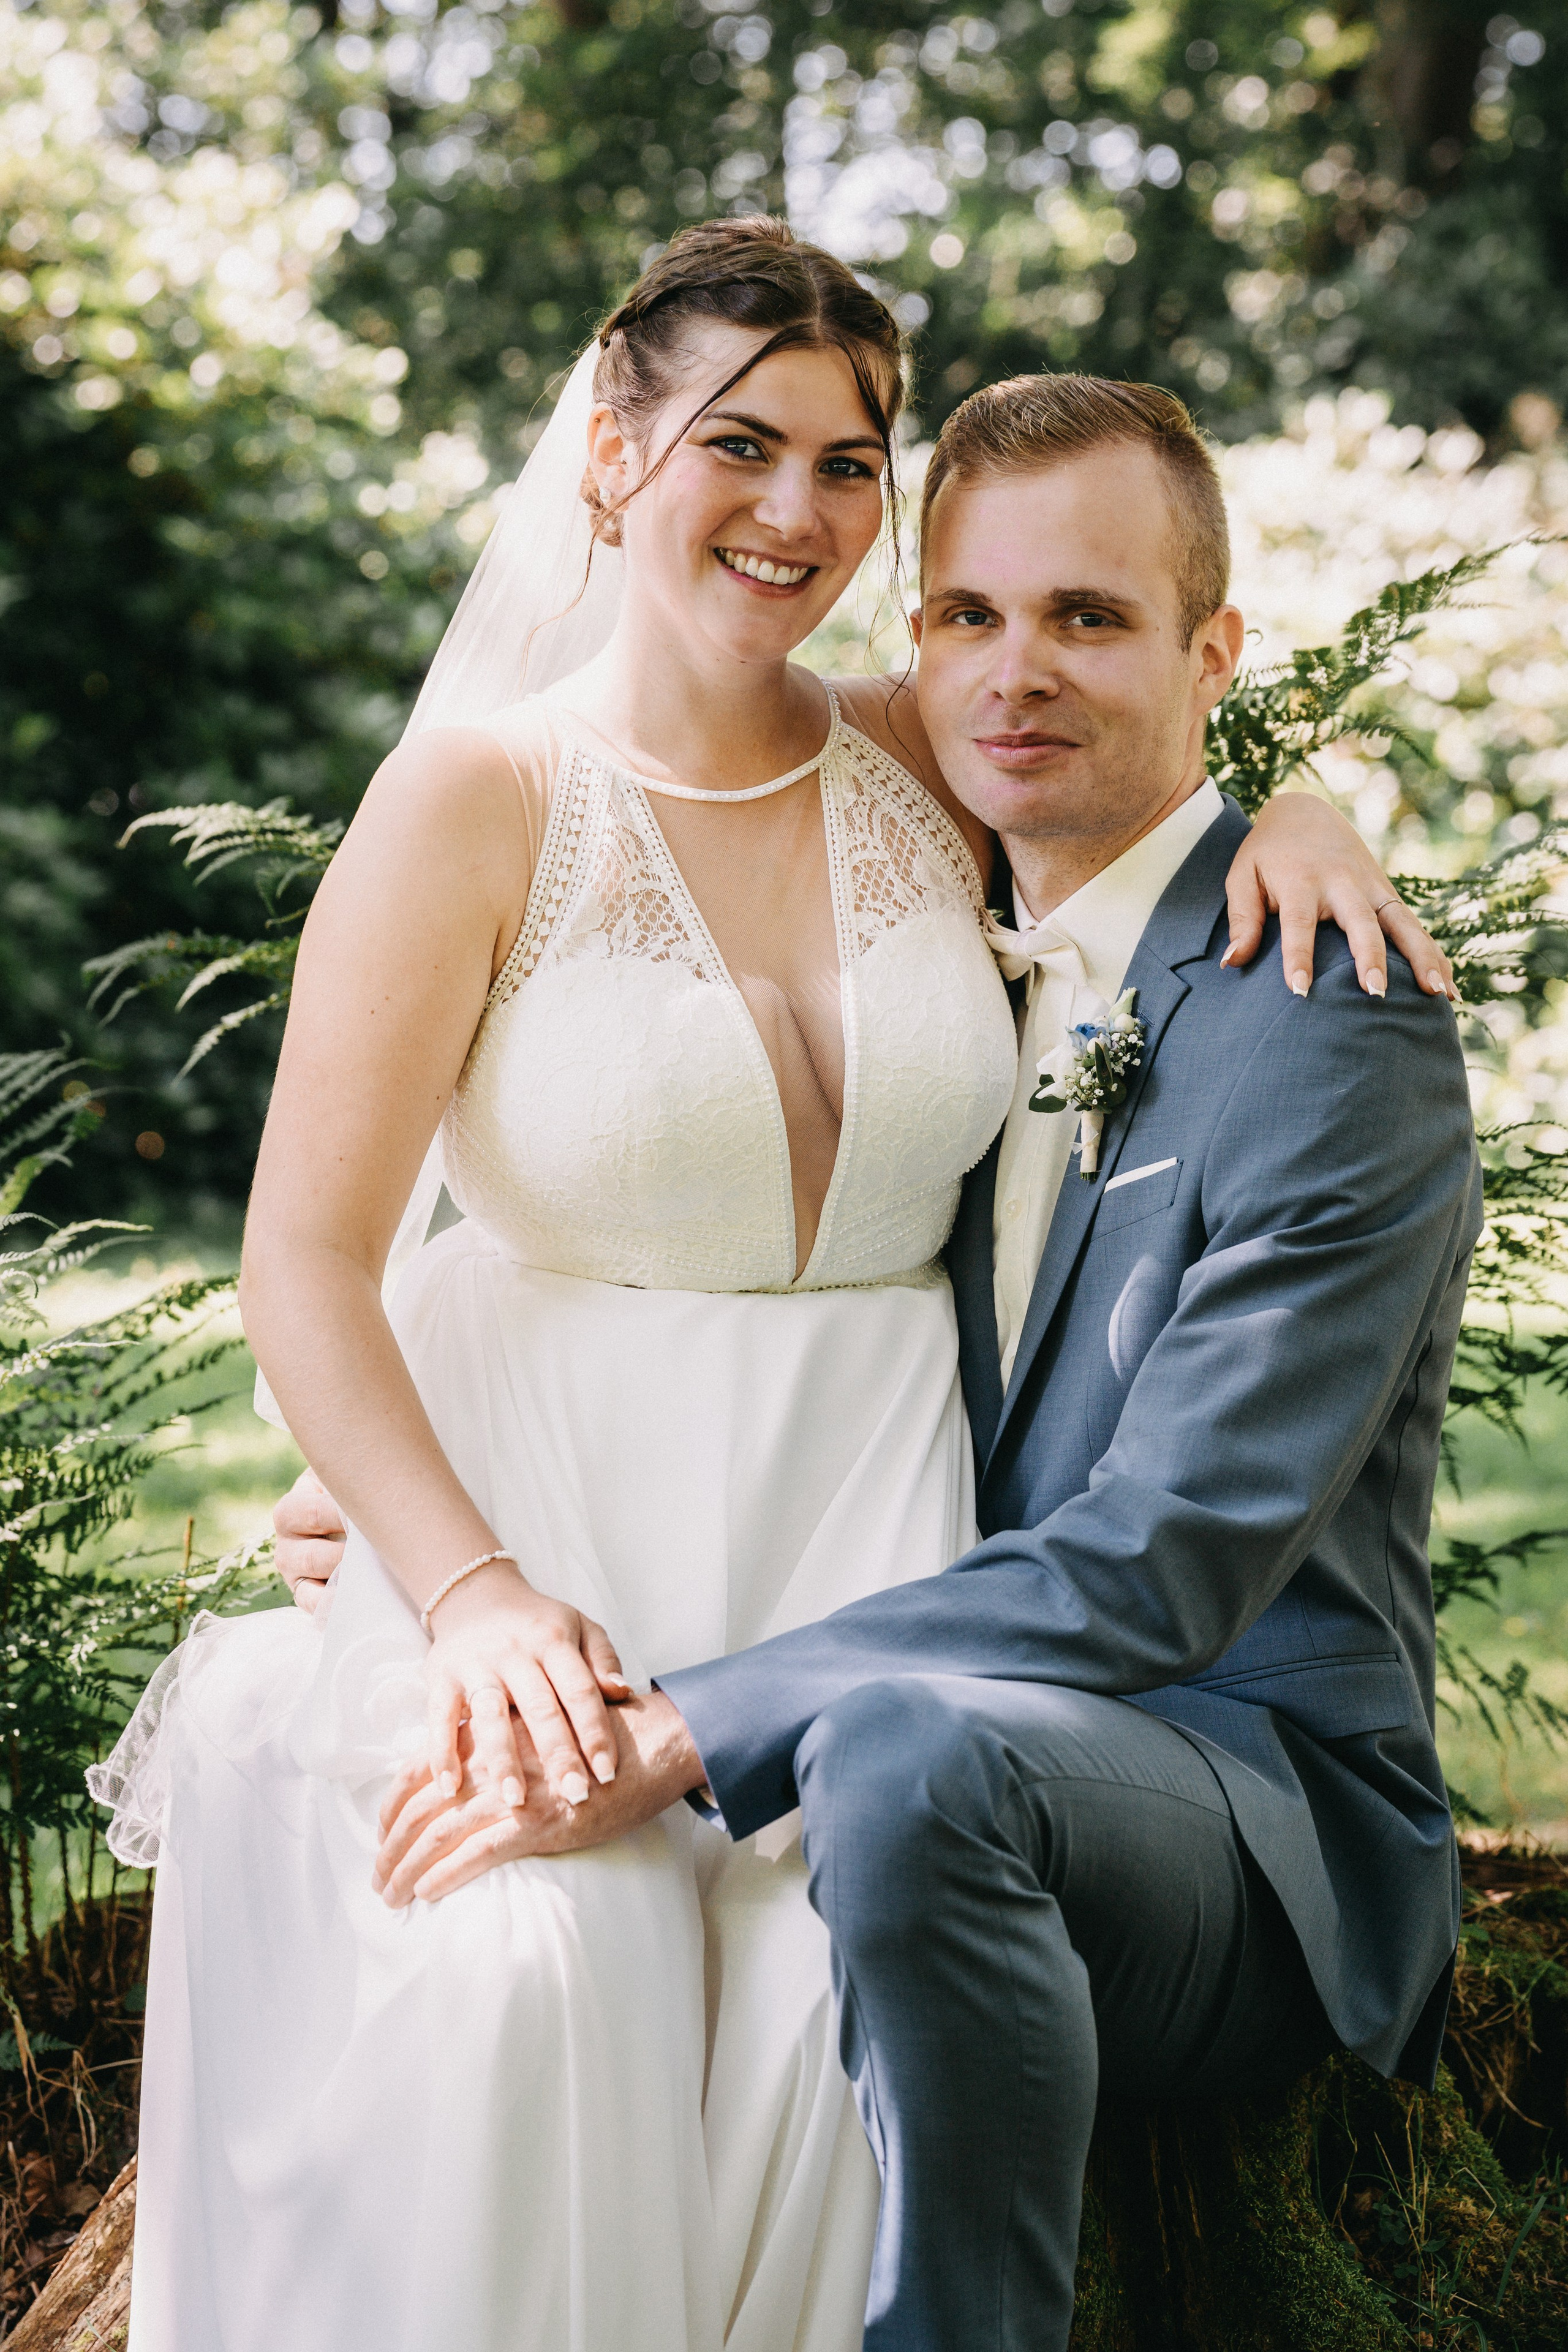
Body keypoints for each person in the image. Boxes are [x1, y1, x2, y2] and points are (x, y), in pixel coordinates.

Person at [95, 219, 1453, 2352]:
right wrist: (469, 1584)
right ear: (614, 454)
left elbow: (1121, 743)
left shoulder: (910, 755)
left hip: (863, 1546)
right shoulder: (475, 797)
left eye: (851, 461)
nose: (801, 509)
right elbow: (305, 1254)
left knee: (834, 2001)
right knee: (539, 1988)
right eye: (745, 443)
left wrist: (1318, 812)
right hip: (563, 1535)